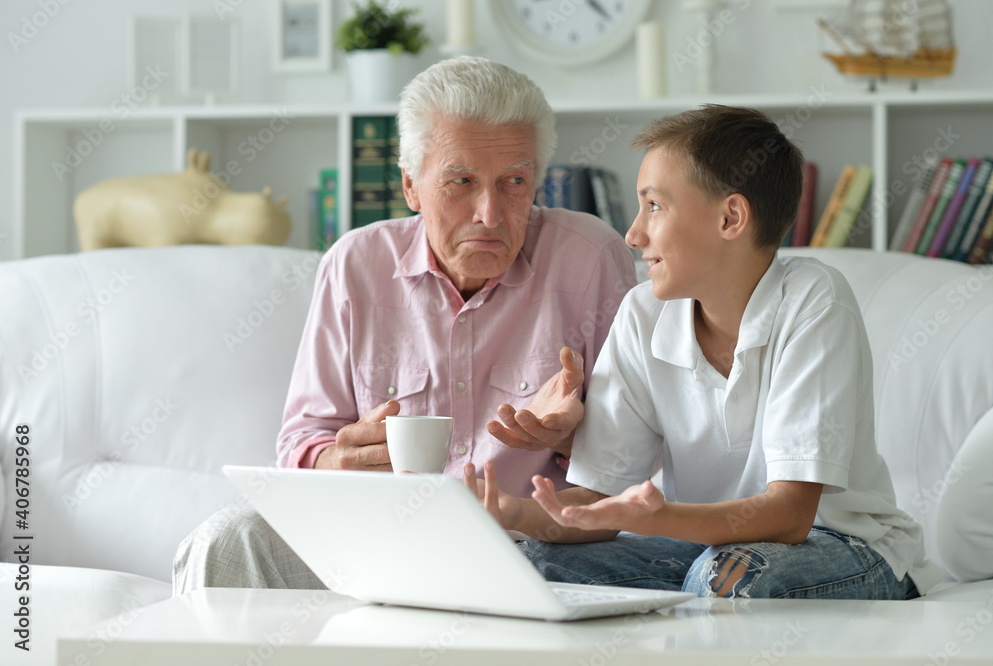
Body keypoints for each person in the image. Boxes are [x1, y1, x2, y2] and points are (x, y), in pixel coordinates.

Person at [172, 56, 637, 593]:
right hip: (381, 541)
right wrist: (335, 460)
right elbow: (304, 440)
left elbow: (631, 466)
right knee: (229, 539)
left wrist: (572, 436)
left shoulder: (589, 258)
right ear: (411, 187)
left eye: (514, 181)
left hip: (533, 550)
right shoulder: (354, 265)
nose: (490, 211)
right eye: (461, 181)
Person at [466, 105, 942, 599]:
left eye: (654, 206)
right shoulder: (641, 314)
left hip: (842, 546)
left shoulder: (814, 301)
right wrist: (506, 512)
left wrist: (659, 517)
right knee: (529, 563)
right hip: (701, 547)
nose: (633, 235)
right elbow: (597, 503)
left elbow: (791, 516)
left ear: (731, 217)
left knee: (731, 578)